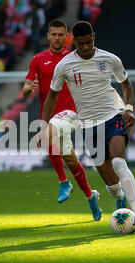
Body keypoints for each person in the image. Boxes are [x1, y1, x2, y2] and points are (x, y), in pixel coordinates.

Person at [42, 21, 135, 233]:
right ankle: (120, 196)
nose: (85, 47)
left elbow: (125, 83)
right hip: (89, 125)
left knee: (119, 162)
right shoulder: (64, 65)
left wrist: (128, 108)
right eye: (81, 44)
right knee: (111, 186)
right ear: (74, 42)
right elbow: (52, 96)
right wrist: (44, 126)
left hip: (113, 115)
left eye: (89, 42)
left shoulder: (109, 59)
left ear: (94, 37)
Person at [22, 19, 105, 212]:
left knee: (47, 133)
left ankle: (62, 181)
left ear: (66, 36)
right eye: (54, 34)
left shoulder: (74, 57)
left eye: (61, 34)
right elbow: (27, 86)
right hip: (52, 114)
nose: (58, 38)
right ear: (48, 36)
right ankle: (90, 196)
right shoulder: (38, 60)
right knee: (70, 159)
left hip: (71, 113)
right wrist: (28, 89)